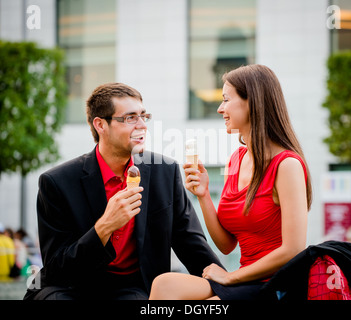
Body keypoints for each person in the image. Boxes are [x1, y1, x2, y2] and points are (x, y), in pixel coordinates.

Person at [24, 82, 222, 300]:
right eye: (130, 118)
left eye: (143, 116)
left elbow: (191, 244)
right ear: (100, 125)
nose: (142, 126)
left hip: (132, 287)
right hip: (71, 286)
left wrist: (230, 286)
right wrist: (103, 227)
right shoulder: (57, 182)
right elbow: (56, 268)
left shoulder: (165, 172)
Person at [149, 64, 312, 300]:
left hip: (279, 284)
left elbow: (294, 249)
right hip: (246, 281)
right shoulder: (236, 159)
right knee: (164, 285)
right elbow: (227, 245)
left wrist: (231, 277)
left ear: (252, 102)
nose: (220, 108)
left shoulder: (287, 165)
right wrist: (203, 195)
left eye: (226, 99)